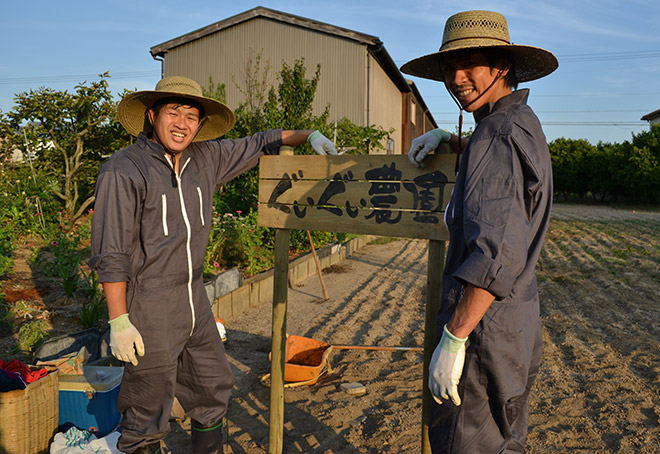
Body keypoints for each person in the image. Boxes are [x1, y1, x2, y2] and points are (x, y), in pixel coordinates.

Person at [88, 76, 337, 454]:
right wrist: (119, 321)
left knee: (212, 385)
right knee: (147, 406)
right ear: (153, 115)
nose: (182, 123)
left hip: (195, 300)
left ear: (200, 125)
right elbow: (112, 253)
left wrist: (309, 135)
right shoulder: (124, 170)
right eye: (174, 112)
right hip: (149, 306)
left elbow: (259, 142)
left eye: (192, 116)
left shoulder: (204, 159)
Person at [401, 10, 558, 453]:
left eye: (470, 64)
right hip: (516, 326)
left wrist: (454, 338)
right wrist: (451, 141)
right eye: (450, 67)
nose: (457, 77)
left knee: (466, 441)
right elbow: (500, 163)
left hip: (481, 331)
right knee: (503, 441)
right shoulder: (520, 123)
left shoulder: (496, 135)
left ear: (501, 68)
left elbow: (493, 257)